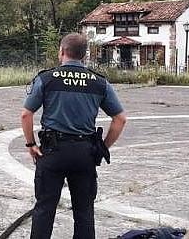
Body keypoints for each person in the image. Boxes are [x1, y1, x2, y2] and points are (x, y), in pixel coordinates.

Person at [21, 33, 127, 238]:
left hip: (52, 152)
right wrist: (103, 147)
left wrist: (31, 144)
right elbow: (120, 119)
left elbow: (26, 114)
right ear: (84, 56)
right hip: (84, 153)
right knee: (84, 211)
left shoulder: (46, 79)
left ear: (61, 51)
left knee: (45, 208)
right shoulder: (99, 82)